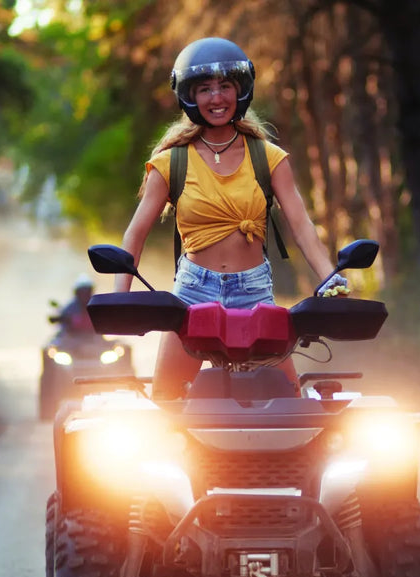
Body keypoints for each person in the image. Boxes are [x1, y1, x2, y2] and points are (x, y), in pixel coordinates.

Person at [118, 37, 348, 400]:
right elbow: (136, 233)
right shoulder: (170, 162)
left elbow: (302, 227)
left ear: (241, 91)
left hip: (253, 290)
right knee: (166, 401)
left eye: (225, 86)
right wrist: (120, 298)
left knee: (288, 403)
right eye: (204, 89)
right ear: (189, 97)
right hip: (193, 291)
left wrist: (332, 279)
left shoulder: (269, 157)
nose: (216, 97)